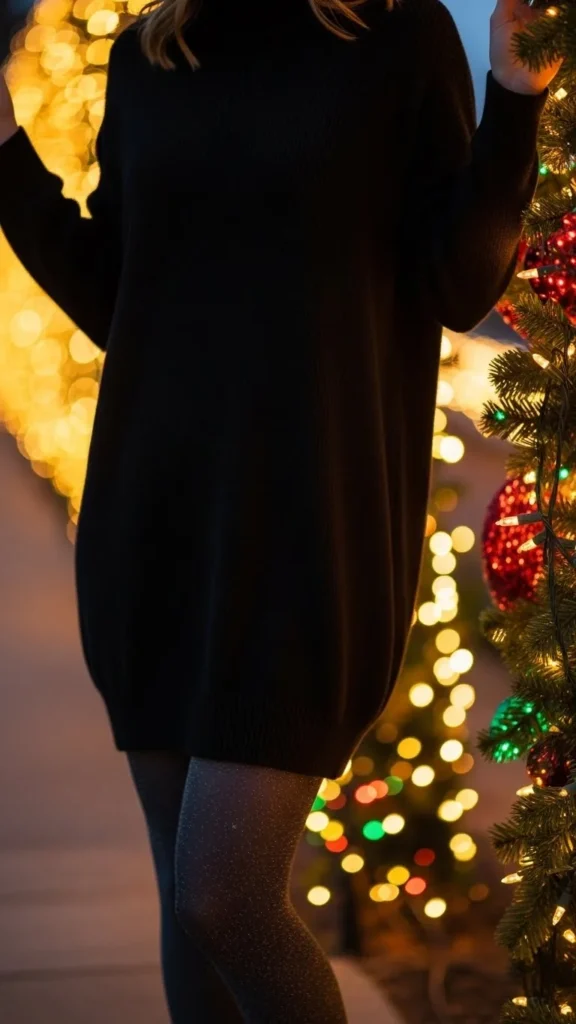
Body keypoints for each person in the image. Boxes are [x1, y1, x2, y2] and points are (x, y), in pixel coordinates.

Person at [0, 0, 561, 1020]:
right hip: (153, 521)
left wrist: (514, 102)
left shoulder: (398, 37)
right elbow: (114, 292)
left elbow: (457, 277)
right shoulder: (152, 51)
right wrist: (4, 149)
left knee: (225, 896)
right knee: (187, 906)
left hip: (316, 531)